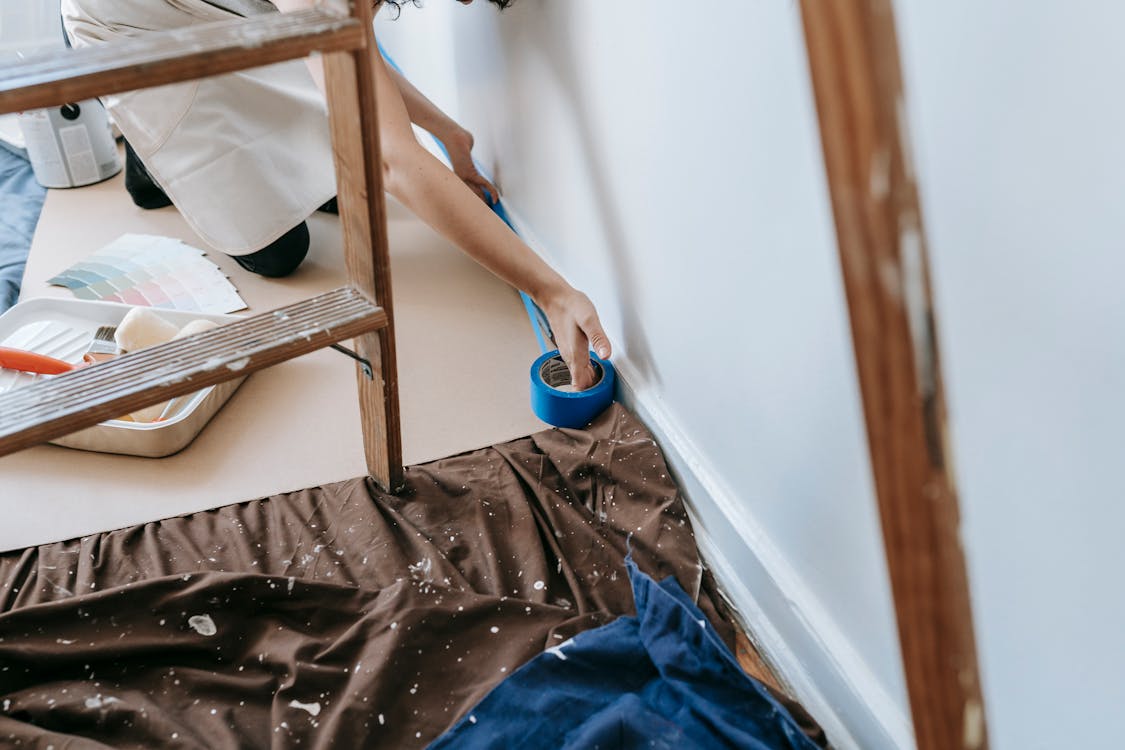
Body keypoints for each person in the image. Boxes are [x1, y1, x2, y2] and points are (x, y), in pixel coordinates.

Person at [61, 0, 611, 389]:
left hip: (221, 9)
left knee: (341, 177)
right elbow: (395, 162)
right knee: (280, 254)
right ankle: (151, 160)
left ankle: (171, 144)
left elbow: (360, 65)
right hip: (128, 21)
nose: (470, 5)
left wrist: (449, 133)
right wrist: (551, 290)